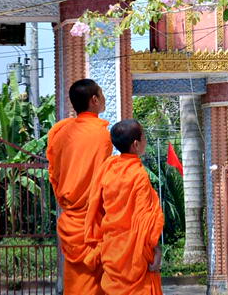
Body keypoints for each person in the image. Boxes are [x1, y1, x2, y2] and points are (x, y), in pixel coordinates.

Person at [46, 80, 111, 295]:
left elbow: (54, 174)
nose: (104, 98)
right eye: (101, 94)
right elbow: (103, 180)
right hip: (92, 219)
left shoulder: (60, 133)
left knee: (75, 283)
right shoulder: (102, 136)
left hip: (71, 218)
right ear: (94, 100)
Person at [86, 120, 164, 295]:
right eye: (144, 137)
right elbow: (145, 221)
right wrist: (156, 250)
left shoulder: (108, 168)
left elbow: (95, 205)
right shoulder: (138, 175)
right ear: (136, 144)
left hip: (112, 247)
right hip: (135, 254)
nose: (146, 141)